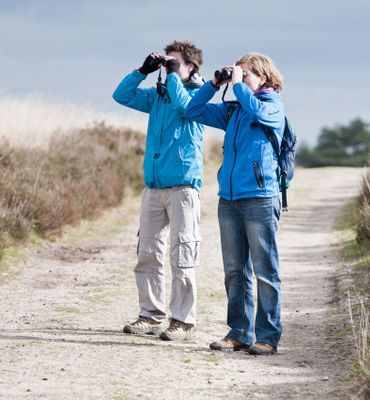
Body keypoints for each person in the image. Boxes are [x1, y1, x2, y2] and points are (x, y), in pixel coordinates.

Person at [185, 53, 284, 355]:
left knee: (265, 272)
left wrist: (239, 86)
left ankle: (267, 337)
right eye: (237, 74)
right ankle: (239, 332)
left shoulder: (271, 106)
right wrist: (215, 83)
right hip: (229, 200)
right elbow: (193, 110)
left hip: (260, 198)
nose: (239, 79)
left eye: (246, 75)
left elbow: (257, 112)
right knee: (234, 272)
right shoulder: (234, 111)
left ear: (264, 78)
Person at [112, 41, 205, 341]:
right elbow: (121, 96)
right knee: (148, 253)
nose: (170, 68)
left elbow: (184, 106)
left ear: (192, 67)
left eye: (176, 63)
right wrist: (143, 71)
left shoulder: (199, 96)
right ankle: (150, 315)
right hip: (154, 187)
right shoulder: (158, 97)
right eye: (168, 63)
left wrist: (175, 76)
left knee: (182, 254)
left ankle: (183, 320)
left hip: (183, 188)